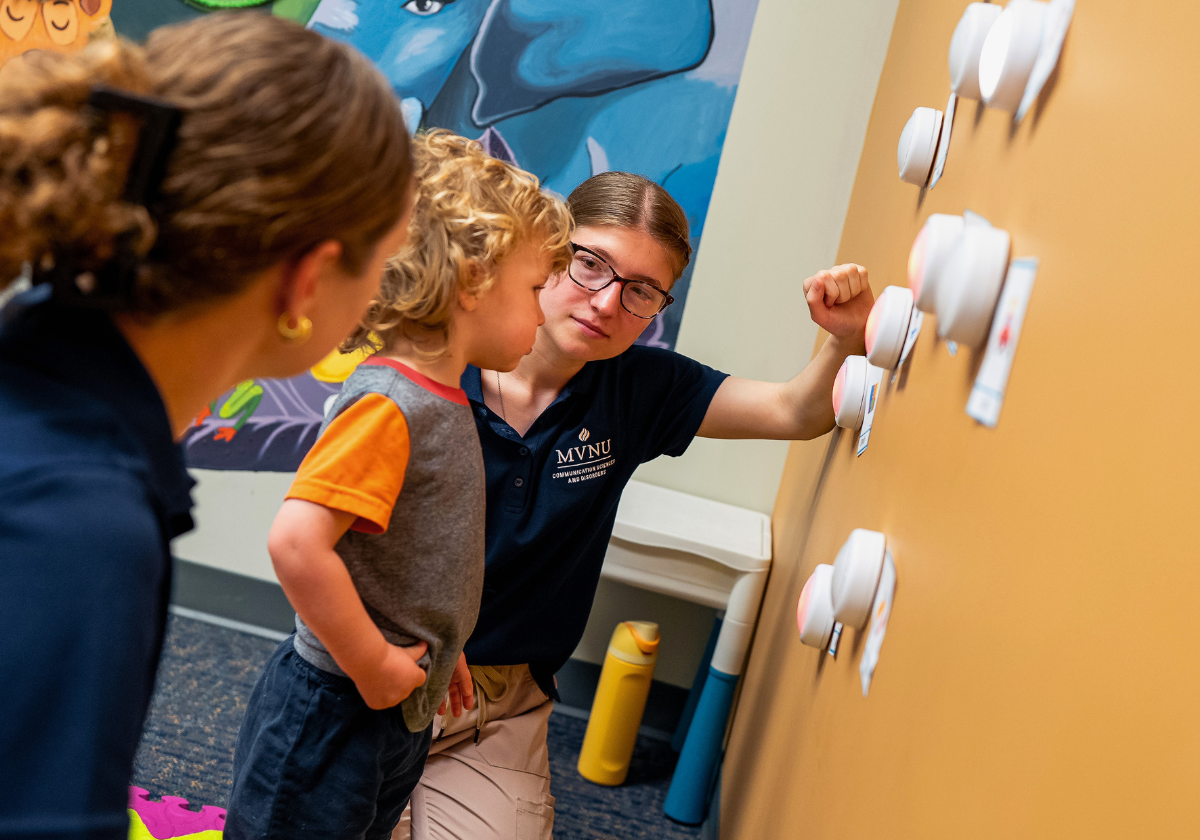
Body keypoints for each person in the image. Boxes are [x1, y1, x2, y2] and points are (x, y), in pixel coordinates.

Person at [0, 14, 413, 840]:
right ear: (309, 281)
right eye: (383, 267)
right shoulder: (80, 527)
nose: (379, 302)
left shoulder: (38, 371)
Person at [395, 171, 874, 839]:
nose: (606, 302)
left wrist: (844, 337)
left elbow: (798, 411)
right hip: (387, 663)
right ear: (552, 251)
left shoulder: (641, 388)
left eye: (641, 291)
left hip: (497, 711)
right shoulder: (442, 352)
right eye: (590, 265)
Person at [225, 131, 573, 840]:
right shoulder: (392, 407)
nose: (543, 314)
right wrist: (373, 661)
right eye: (536, 290)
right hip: (333, 709)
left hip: (393, 704)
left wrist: (442, 648)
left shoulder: (442, 401)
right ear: (474, 280)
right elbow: (297, 544)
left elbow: (416, 554)